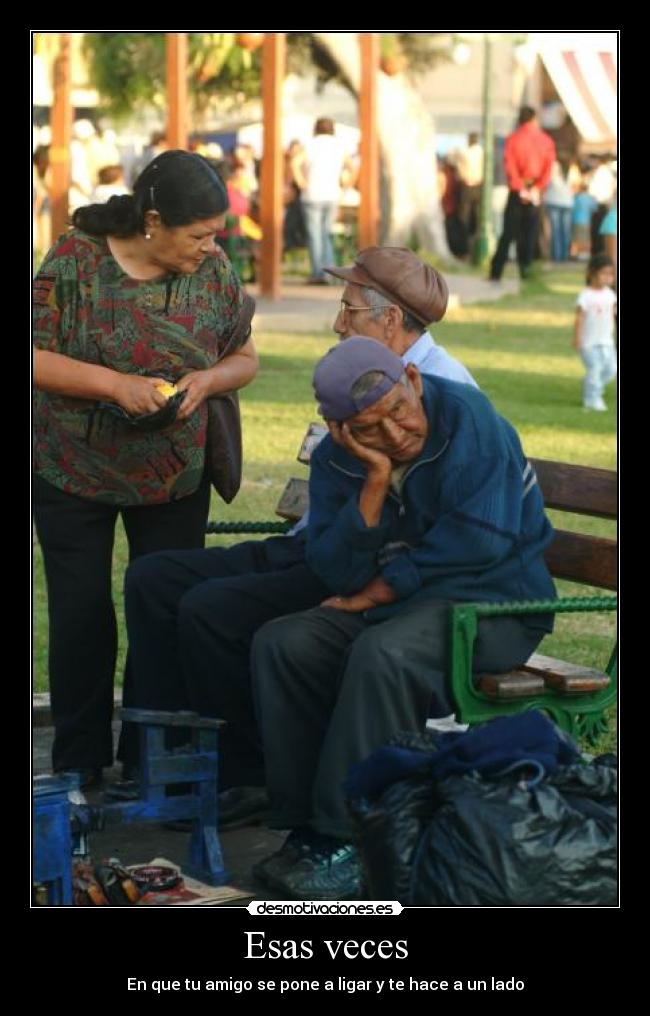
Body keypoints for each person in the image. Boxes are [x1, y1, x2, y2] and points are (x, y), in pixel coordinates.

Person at [123, 248, 476, 811]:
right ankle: (164, 759)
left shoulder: (433, 388)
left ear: (390, 320)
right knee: (153, 576)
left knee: (211, 609)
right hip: (312, 542)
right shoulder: (366, 370)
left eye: (349, 309)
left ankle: (247, 773)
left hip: (362, 563)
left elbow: (418, 525)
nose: (339, 322)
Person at [250, 337, 556, 900]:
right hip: (406, 606)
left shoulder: (472, 423)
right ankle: (307, 829)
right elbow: (333, 569)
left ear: (413, 379)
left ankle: (357, 835)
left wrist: (377, 592)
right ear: (339, 428)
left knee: (384, 653)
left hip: (497, 606)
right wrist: (371, 485)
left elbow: (478, 543)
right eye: (368, 429)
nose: (395, 435)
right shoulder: (336, 459)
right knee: (287, 641)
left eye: (398, 410)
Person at [33, 149, 259, 790]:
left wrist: (209, 379)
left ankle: (150, 759)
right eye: (200, 233)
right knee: (80, 614)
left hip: (171, 475)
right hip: (71, 467)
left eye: (216, 233)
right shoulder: (76, 259)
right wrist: (114, 386)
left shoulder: (212, 270)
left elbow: (245, 357)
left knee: (162, 611)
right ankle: (79, 762)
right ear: (153, 221)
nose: (212, 245)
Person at [489, 106, 556, 281]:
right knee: (530, 232)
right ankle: (526, 270)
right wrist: (537, 188)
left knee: (508, 233)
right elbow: (548, 168)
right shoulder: (546, 140)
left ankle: (496, 271)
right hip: (535, 190)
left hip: (517, 190)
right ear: (534, 119)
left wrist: (520, 188)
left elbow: (509, 166)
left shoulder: (512, 139)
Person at [294, 118, 349, 284]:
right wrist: (346, 186)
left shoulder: (310, 144)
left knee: (315, 234)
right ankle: (330, 270)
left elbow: (294, 163)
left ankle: (318, 272)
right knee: (327, 233)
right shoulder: (339, 145)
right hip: (332, 194)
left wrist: (302, 183)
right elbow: (352, 166)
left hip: (312, 194)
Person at [573, 253, 617, 411]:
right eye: (604, 273)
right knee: (595, 370)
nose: (608, 278)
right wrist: (577, 338)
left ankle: (592, 384)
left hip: (607, 342)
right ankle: (592, 399)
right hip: (589, 343)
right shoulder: (585, 296)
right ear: (592, 273)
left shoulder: (611, 295)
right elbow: (579, 318)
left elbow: (612, 315)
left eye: (611, 274)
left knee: (612, 369)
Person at [454, 132, 484, 258]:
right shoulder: (481, 152)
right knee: (476, 218)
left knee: (464, 218)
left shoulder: (464, 153)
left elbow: (459, 169)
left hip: (466, 186)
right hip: (478, 187)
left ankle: (465, 250)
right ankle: (474, 249)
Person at [543, 159, 574, 262]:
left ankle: (562, 256)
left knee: (563, 231)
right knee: (558, 231)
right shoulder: (554, 169)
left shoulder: (566, 173)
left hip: (563, 203)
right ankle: (558, 257)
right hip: (557, 203)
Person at [570, 180, 596, 261]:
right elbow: (594, 208)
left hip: (576, 221)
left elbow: (572, 208)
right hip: (586, 221)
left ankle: (575, 254)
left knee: (576, 239)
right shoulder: (590, 198)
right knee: (586, 239)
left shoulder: (576, 197)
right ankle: (585, 254)